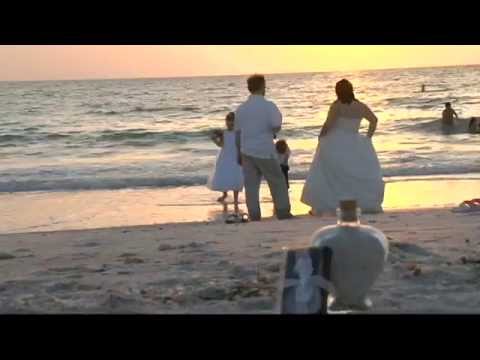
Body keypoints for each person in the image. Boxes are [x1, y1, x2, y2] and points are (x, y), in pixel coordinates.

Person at [301, 79, 384, 215]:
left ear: (337, 92)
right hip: (355, 142)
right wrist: (368, 137)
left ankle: (333, 203)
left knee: (333, 175)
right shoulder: (361, 106)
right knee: (353, 174)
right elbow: (374, 120)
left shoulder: (336, 106)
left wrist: (321, 137)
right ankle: (359, 203)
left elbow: (328, 124)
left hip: (336, 142)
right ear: (351, 90)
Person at [234, 74, 292, 221]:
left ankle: (254, 215)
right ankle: (283, 211)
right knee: (277, 181)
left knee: (251, 186)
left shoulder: (241, 109)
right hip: (264, 150)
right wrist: (272, 132)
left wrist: (238, 152)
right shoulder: (268, 106)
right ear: (262, 86)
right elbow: (276, 125)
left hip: (246, 150)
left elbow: (237, 132)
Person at [207, 112, 243, 213]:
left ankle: (236, 199)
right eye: (228, 121)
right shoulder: (224, 133)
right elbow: (221, 145)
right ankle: (225, 194)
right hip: (225, 156)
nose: (230, 123)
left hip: (235, 156)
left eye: (232, 121)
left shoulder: (238, 132)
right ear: (226, 122)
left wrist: (240, 156)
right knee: (224, 175)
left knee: (236, 176)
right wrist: (214, 140)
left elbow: (240, 145)